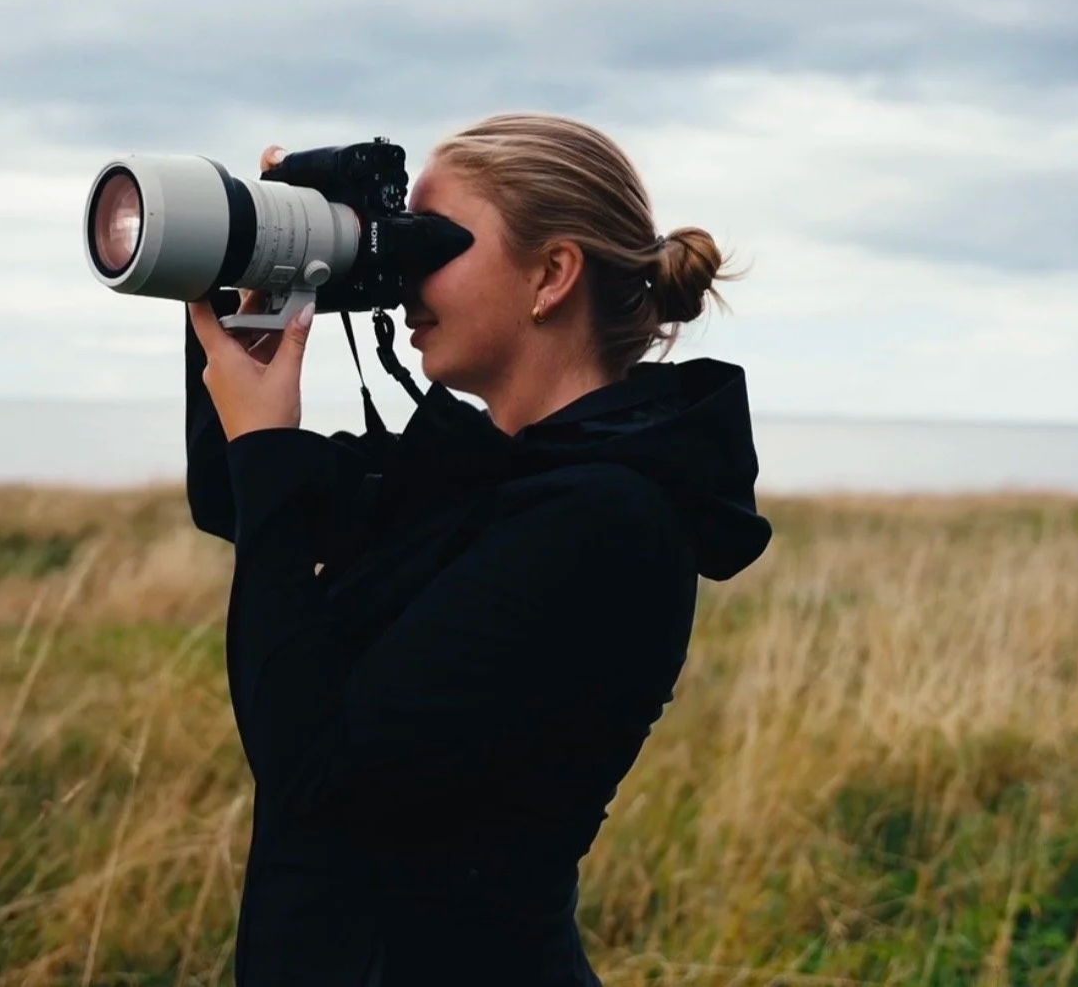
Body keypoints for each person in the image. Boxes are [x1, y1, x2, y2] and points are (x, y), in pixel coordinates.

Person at [183, 113, 773, 986]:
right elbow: (237, 499)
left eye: (437, 242)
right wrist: (257, 282)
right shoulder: (483, 473)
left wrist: (267, 446)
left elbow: (317, 775)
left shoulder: (602, 518)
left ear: (552, 273)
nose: (408, 278)